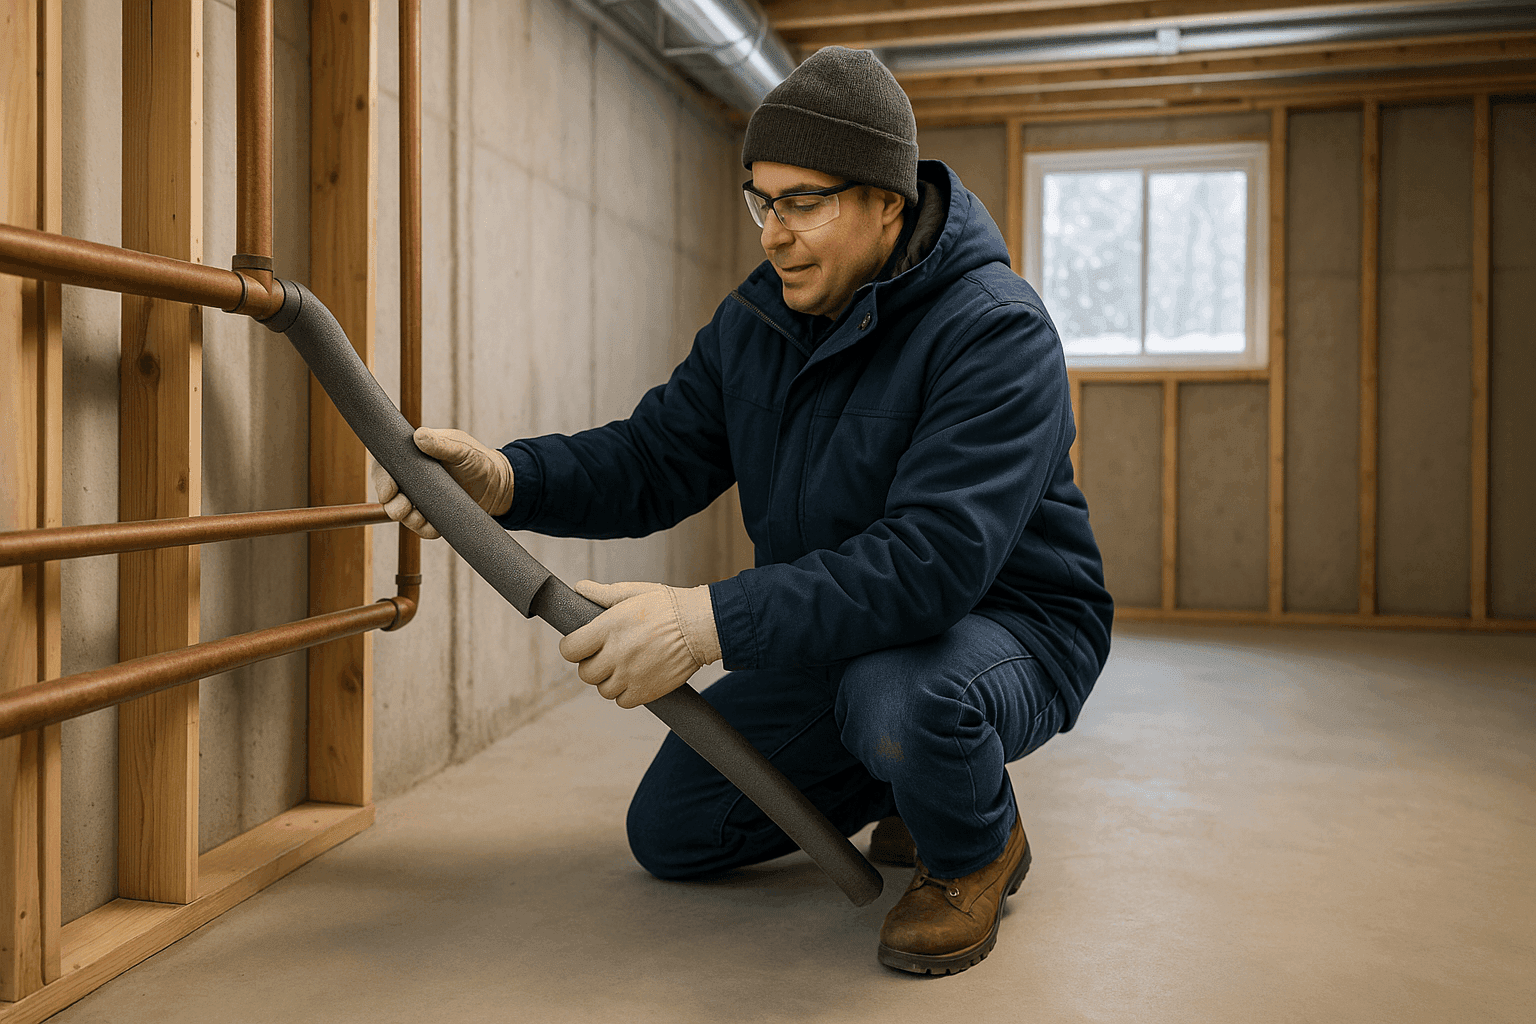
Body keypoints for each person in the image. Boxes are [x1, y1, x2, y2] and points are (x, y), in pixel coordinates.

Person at [374, 46, 1113, 975]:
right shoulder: (759, 321)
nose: (772, 232)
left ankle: (977, 848)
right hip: (836, 632)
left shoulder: (995, 330)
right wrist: (507, 481)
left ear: (888, 200)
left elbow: (932, 565)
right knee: (676, 832)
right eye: (762, 200)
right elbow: (653, 459)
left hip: (1003, 625)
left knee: (903, 701)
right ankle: (906, 778)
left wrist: (703, 621)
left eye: (804, 202)